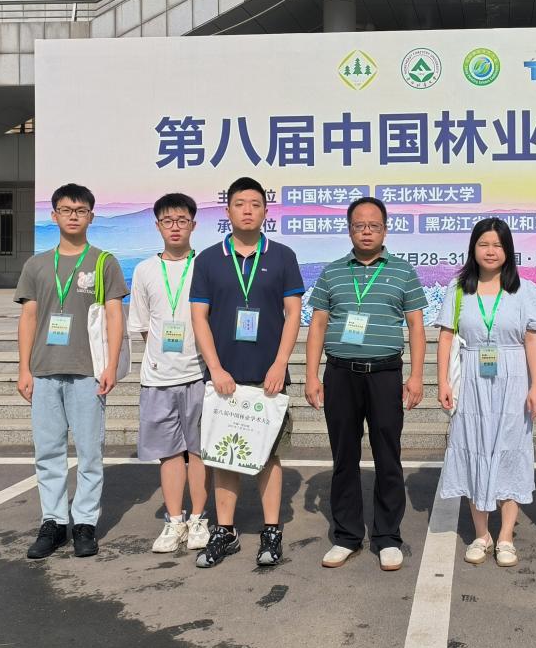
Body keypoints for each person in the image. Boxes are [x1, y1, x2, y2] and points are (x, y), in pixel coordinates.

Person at [305, 196, 427, 572]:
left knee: (388, 455)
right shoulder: (332, 272)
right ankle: (346, 535)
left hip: (385, 374)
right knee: (344, 456)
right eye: (359, 225)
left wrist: (417, 376)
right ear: (349, 230)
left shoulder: (403, 271)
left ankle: (387, 536)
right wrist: (311, 375)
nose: (367, 231)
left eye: (374, 225)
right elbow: (318, 325)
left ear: (385, 229)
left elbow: (416, 326)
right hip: (340, 374)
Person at [189, 178, 304, 568]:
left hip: (269, 377)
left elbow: (293, 314)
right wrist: (215, 368)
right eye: (240, 203)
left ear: (266, 211)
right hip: (224, 377)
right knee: (224, 454)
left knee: (269, 455)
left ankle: (272, 531)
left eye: (255, 204)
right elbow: (199, 317)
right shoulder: (208, 259)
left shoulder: (283, 256)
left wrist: (280, 363)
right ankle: (225, 531)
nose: (248, 210)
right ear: (228, 211)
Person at [15, 183, 127, 559]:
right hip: (44, 370)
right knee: (48, 451)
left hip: (88, 371)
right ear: (54, 216)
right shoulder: (36, 265)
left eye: (80, 211)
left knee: (90, 452)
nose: (73, 216)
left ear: (91, 216)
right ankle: (53, 522)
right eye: (66, 210)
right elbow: (29, 317)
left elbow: (115, 316)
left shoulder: (103, 262)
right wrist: (24, 369)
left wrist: (111, 365)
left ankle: (84, 524)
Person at [436, 218, 536, 568]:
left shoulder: (523, 290)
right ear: (473, 248)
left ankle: (506, 536)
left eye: (497, 245)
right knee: (474, 448)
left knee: (511, 450)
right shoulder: (459, 289)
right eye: (483, 244)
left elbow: (532, 339)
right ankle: (481, 534)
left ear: (508, 250)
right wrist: (442, 382)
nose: (490, 251)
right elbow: (446, 337)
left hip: (513, 378)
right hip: (471, 378)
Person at [127, 193, 211, 555]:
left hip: (200, 374)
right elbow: (143, 325)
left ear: (193, 224)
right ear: (157, 225)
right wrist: (162, 357)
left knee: (200, 451)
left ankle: (199, 518)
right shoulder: (145, 270)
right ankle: (175, 520)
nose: (175, 227)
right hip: (159, 378)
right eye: (167, 221)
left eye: (182, 220)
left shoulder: (206, 265)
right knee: (169, 453)